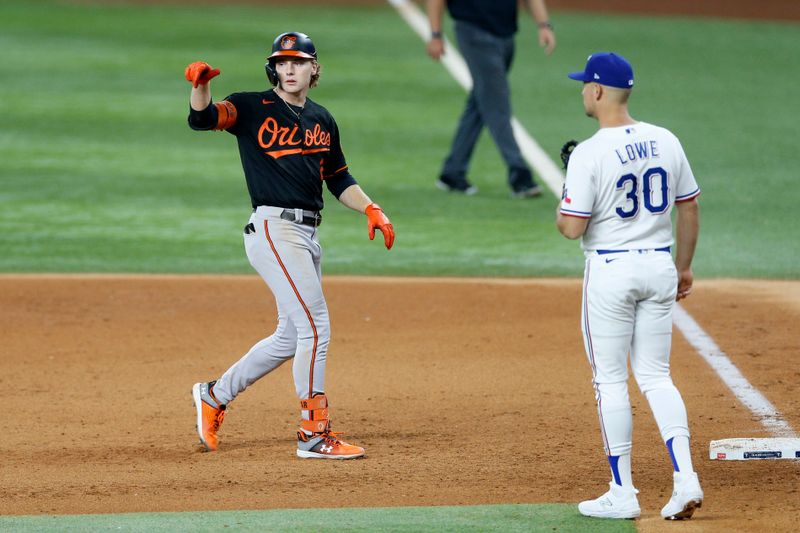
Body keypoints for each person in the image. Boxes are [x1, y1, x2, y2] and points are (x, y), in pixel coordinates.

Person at [184, 32, 395, 459]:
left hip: (306, 234)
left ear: (314, 68)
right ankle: (314, 434)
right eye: (282, 63)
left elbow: (337, 177)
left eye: (298, 62)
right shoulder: (250, 107)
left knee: (289, 336)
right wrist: (201, 87)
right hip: (273, 229)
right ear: (273, 69)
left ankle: (213, 394)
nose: (289, 69)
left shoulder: (322, 119)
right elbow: (204, 120)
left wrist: (371, 208)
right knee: (316, 327)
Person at [556, 52, 703, 519]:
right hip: (660, 267)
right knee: (657, 377)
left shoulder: (590, 152)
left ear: (598, 91)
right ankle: (685, 479)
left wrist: (569, 188)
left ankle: (623, 492)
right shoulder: (666, 139)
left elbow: (571, 227)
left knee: (610, 380)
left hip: (611, 273)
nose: (582, 91)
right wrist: (683, 267)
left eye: (584, 85)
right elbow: (690, 207)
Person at [426, 0, 556, 197]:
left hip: (506, 34)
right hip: (473, 32)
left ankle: (452, 172)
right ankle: (520, 175)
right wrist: (436, 34)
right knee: (497, 104)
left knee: (482, 101)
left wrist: (544, 25)